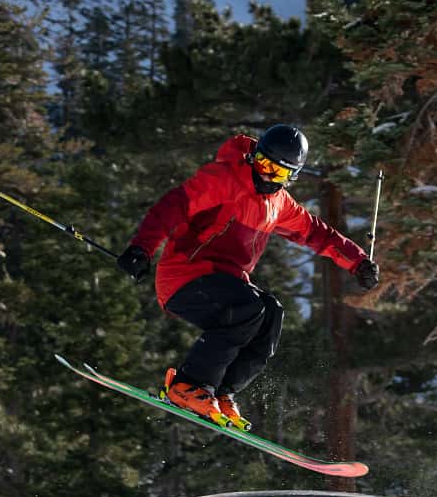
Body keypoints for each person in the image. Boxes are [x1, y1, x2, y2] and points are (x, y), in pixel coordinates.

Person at [116, 124, 380, 430]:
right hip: (185, 276)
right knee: (248, 307)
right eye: (264, 164)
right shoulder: (224, 179)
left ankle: (219, 391)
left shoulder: (279, 205)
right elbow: (171, 207)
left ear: (290, 178)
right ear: (254, 156)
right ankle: (188, 386)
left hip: (227, 283)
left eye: (278, 173)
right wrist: (142, 248)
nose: (267, 175)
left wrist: (358, 261)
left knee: (271, 315)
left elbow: (318, 234)